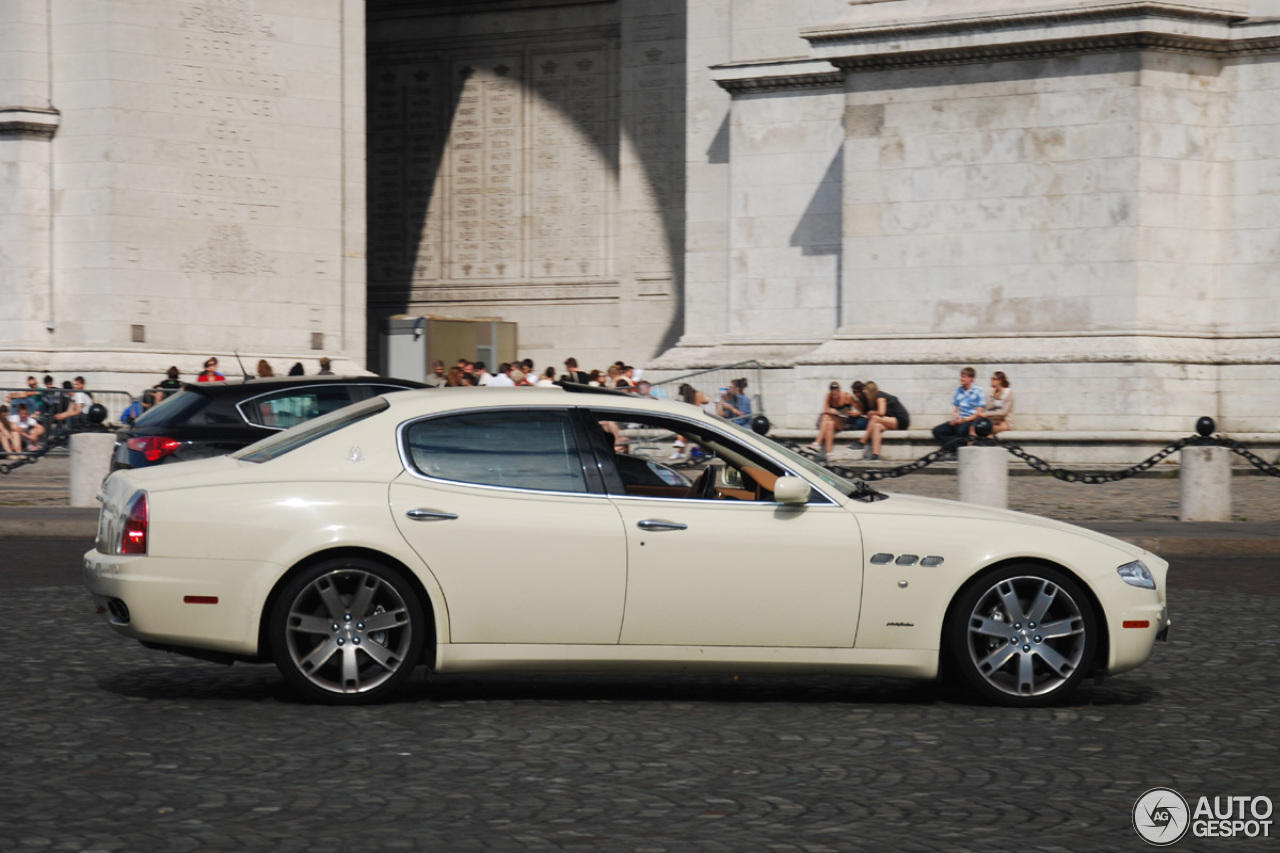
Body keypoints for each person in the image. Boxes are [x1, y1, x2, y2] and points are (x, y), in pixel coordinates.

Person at [932, 366, 986, 454]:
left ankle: (959, 452)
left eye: (964, 377)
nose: (961, 379)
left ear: (971, 379)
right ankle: (951, 449)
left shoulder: (979, 391)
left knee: (961, 430)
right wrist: (955, 419)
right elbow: (955, 410)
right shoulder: (959, 390)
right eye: (961, 376)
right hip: (960, 419)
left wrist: (964, 420)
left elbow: (978, 413)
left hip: (971, 420)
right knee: (937, 431)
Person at [806, 381, 864, 461]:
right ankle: (830, 454)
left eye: (836, 394)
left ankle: (817, 442)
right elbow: (825, 410)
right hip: (832, 421)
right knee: (829, 423)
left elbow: (861, 410)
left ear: (839, 391)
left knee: (827, 418)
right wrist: (832, 411)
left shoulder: (846, 396)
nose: (834, 397)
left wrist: (855, 413)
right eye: (833, 395)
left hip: (842, 422)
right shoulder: (829, 396)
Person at [858, 381, 910, 461]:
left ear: (871, 390)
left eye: (866, 389)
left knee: (874, 418)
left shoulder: (880, 396)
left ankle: (863, 441)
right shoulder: (875, 398)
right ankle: (875, 454)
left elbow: (881, 412)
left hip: (901, 420)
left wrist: (871, 413)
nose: (864, 392)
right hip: (892, 420)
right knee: (876, 426)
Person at [982, 371, 1014, 435]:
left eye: (994, 379)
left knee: (988, 429)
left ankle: (988, 444)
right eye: (991, 379)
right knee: (976, 427)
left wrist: (987, 414)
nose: (992, 381)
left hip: (1005, 421)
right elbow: (988, 407)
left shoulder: (1008, 392)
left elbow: (1003, 412)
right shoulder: (992, 392)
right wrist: (991, 395)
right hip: (994, 420)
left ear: (1000, 381)